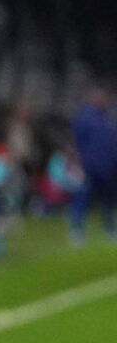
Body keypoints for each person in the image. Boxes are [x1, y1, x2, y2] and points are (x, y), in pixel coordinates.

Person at [71, 89, 116, 244]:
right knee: (83, 196)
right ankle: (77, 230)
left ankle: (109, 229)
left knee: (108, 200)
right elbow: (77, 141)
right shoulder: (85, 117)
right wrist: (79, 162)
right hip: (89, 165)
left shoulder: (109, 119)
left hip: (107, 167)